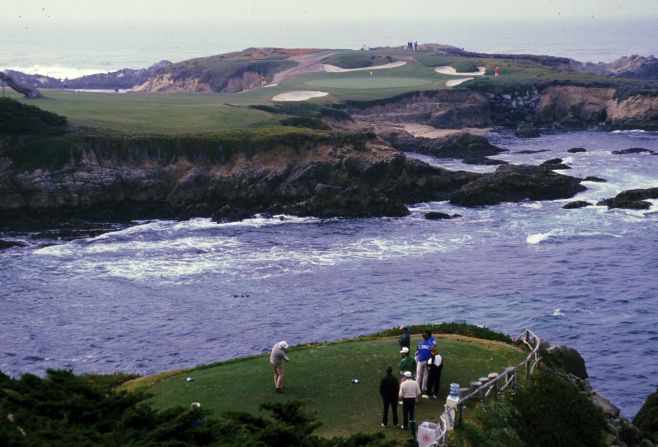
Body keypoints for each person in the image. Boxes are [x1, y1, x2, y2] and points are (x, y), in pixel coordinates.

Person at [415, 332, 433, 397]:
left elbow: (418, 350)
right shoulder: (430, 344)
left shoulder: (420, 344)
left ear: (423, 337)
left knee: (419, 374)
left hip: (420, 360)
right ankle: (423, 387)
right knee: (425, 374)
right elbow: (431, 352)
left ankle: (417, 387)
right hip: (427, 361)